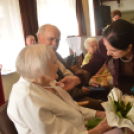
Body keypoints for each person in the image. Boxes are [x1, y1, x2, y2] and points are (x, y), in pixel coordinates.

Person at [7, 45, 111, 134]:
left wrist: (100, 114)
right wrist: (98, 130)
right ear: (38, 69)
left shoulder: (47, 82)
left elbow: (72, 109)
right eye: (55, 62)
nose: (58, 65)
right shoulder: (27, 98)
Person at [36, 24, 107, 110]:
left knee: (107, 92)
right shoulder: (38, 59)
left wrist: (83, 80)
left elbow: (70, 73)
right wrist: (82, 91)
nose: (55, 44)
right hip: (73, 99)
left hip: (79, 86)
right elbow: (56, 88)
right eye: (51, 39)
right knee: (107, 107)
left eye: (57, 40)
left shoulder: (54, 53)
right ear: (39, 37)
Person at [60, 19, 134, 96]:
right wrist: (75, 79)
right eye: (106, 47)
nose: (108, 53)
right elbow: (92, 65)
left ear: (129, 47)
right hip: (120, 90)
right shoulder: (104, 43)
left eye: (113, 50)